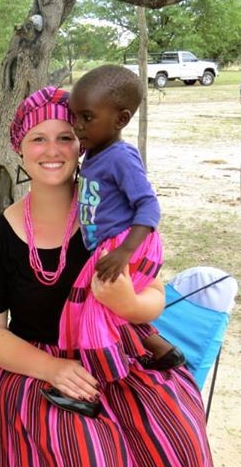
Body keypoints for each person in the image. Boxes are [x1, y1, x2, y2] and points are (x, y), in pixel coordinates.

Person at [0, 87, 220, 467]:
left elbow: (154, 296)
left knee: (178, 446)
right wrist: (55, 369)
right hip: (36, 373)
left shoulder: (114, 213)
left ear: (83, 140)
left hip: (124, 363)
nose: (53, 150)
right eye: (38, 139)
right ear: (19, 148)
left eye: (66, 137)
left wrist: (129, 304)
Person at [68, 64, 185, 374]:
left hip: (127, 242)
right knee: (108, 309)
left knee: (93, 312)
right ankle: (162, 350)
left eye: (87, 118)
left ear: (121, 119)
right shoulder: (93, 153)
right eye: (74, 117)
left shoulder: (121, 156)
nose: (77, 126)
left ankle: (94, 385)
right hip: (112, 245)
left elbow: (149, 207)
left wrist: (124, 252)